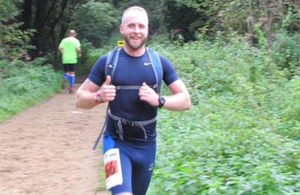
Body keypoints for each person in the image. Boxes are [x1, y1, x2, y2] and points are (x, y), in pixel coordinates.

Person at [76, 6, 191, 195]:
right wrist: (99, 97)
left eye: (141, 26)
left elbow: (185, 100)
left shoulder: (159, 63)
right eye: (131, 26)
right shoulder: (107, 62)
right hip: (116, 142)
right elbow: (80, 99)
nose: (136, 31)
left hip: (147, 145)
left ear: (147, 30)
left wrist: (159, 100)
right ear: (122, 29)